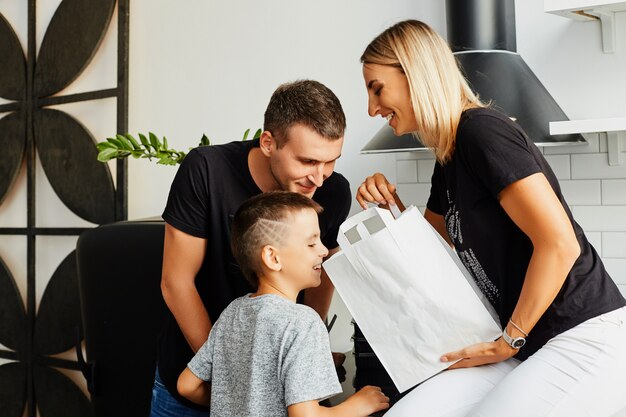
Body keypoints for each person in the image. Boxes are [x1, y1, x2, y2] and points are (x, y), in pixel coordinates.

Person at [356, 19, 626, 417]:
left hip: (580, 332)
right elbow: (430, 249)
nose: (371, 108)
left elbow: (560, 243)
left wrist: (507, 342)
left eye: (377, 88)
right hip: (523, 341)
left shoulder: (482, 132)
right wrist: (388, 205)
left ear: (415, 73)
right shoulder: (447, 156)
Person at [150, 80, 352, 416]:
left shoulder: (333, 192)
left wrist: (308, 356)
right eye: (306, 161)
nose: (319, 178)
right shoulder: (206, 171)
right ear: (268, 142)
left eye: (330, 161)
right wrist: (232, 377)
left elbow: (323, 273)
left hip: (275, 388)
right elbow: (176, 282)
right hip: (192, 380)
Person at [176, 191, 390, 416]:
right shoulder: (303, 321)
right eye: (311, 244)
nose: (324, 250)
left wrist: (241, 405)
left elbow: (187, 385)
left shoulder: (233, 311)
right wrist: (357, 405)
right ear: (273, 258)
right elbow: (305, 414)